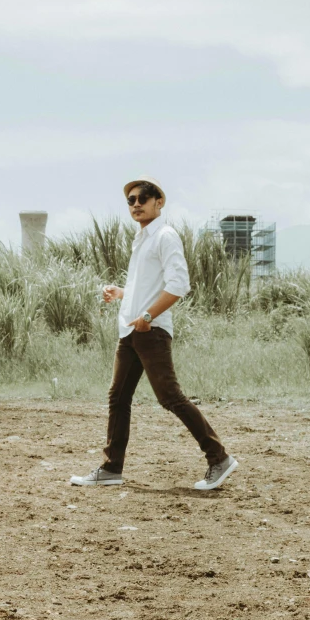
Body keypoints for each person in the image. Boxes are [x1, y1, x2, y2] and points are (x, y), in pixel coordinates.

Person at [70, 176, 238, 490]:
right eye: (131, 200)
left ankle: (219, 458)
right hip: (131, 331)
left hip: (151, 331)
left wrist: (148, 316)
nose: (136, 204)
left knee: (170, 398)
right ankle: (111, 469)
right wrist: (122, 293)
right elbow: (146, 286)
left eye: (142, 198)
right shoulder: (142, 239)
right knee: (118, 398)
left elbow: (179, 285)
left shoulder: (165, 235)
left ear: (158, 202)